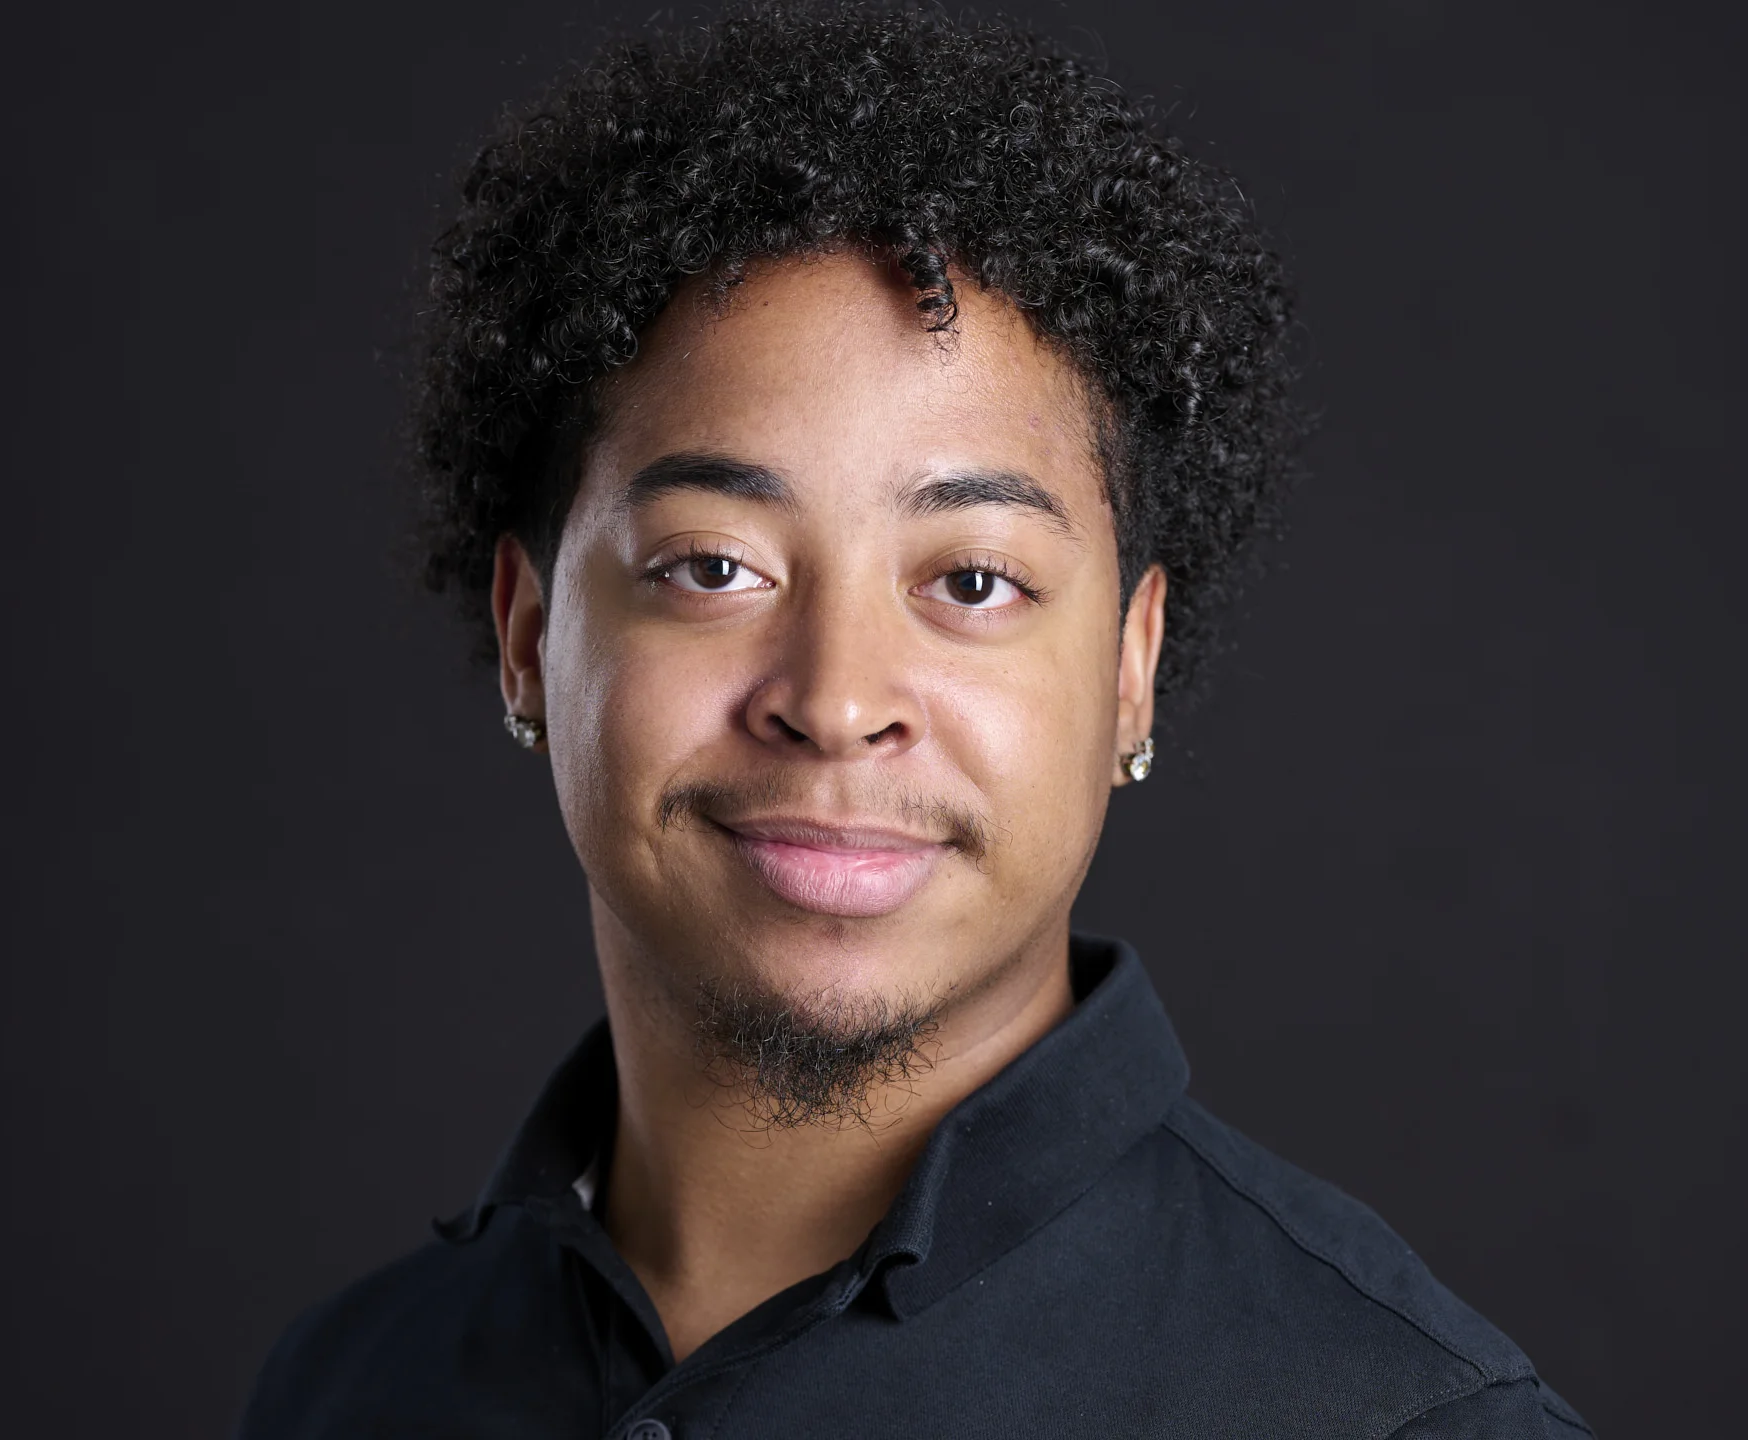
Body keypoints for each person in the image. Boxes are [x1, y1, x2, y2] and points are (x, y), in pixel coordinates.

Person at [237, 4, 1591, 1435]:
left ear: (1132, 667)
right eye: (714, 568)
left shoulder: (1402, 1422)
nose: (835, 701)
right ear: (528, 637)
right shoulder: (344, 1389)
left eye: (973, 580)